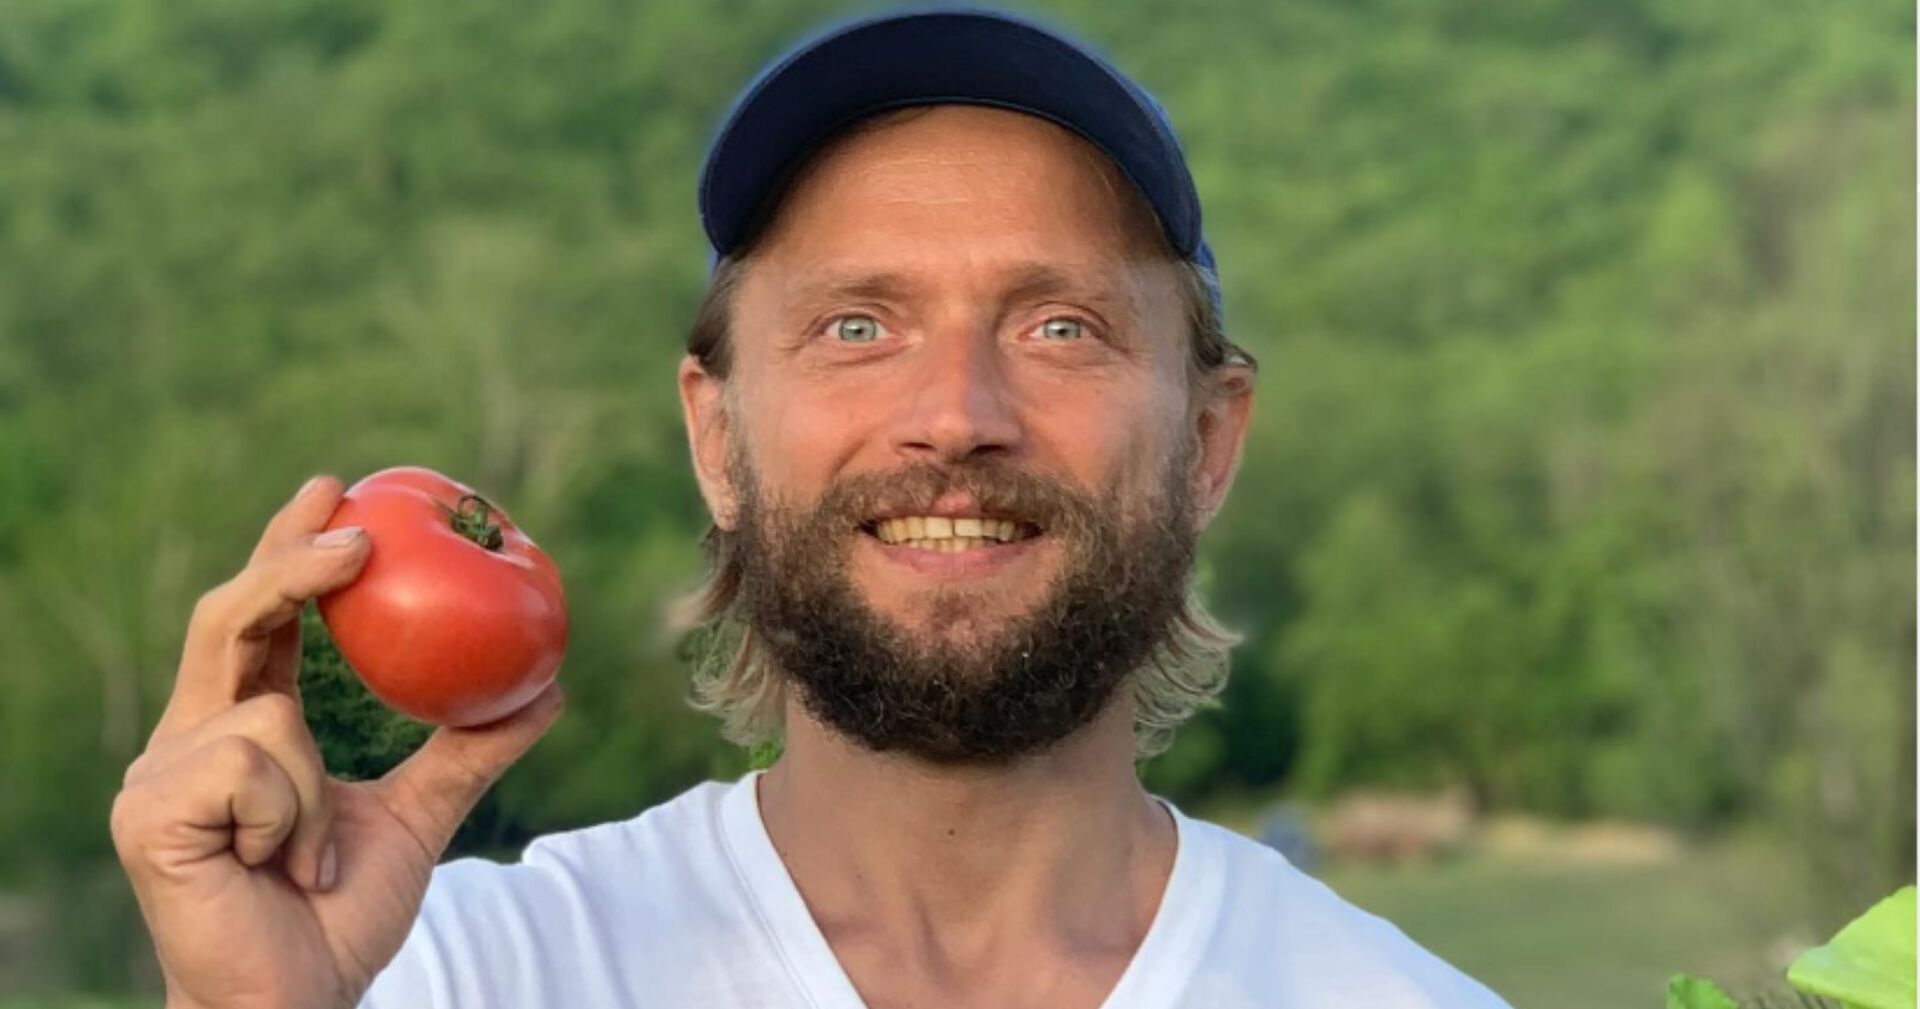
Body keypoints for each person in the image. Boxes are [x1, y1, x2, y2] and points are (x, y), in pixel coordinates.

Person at [109, 9, 1511, 1008]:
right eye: (856, 326)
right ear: (717, 436)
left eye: (1062, 327)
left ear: (1209, 441)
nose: (956, 409)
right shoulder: (453, 975)